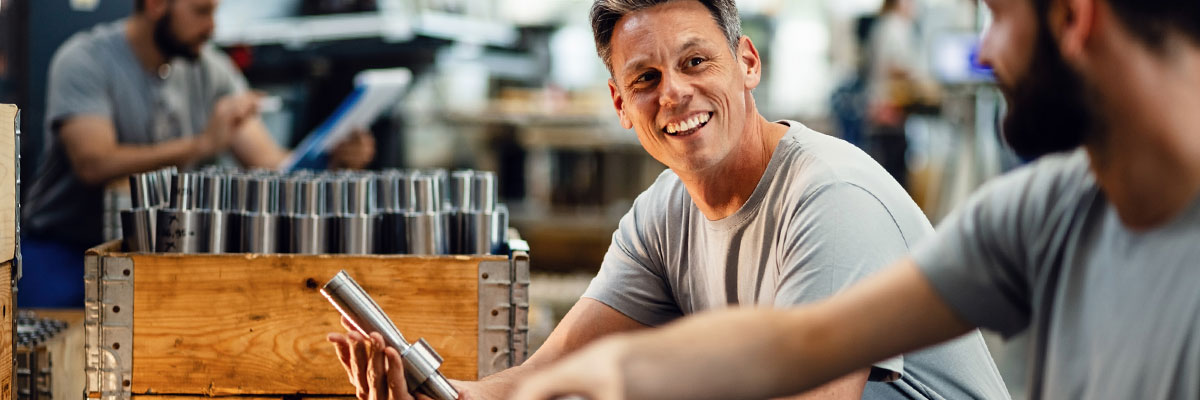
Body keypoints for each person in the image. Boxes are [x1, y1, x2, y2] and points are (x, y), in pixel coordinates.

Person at [510, 0, 1200, 398]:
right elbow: (804, 342)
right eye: (646, 78)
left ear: (1075, 17)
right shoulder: (1038, 215)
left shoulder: (833, 193)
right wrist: (599, 374)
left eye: (996, 15)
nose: (984, 53)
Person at [328, 1, 1010, 399]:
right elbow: (544, 380)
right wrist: (441, 390)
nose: (674, 93)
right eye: (646, 78)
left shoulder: (828, 199)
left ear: (747, 63)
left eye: (695, 61)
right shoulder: (663, 214)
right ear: (621, 105)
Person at [20, 0, 376, 307]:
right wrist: (201, 145)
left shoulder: (212, 69)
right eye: (201, 11)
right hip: (66, 249)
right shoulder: (84, 59)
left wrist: (331, 160)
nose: (211, 27)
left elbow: (272, 164)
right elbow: (93, 162)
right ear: (156, 4)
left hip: (159, 256)